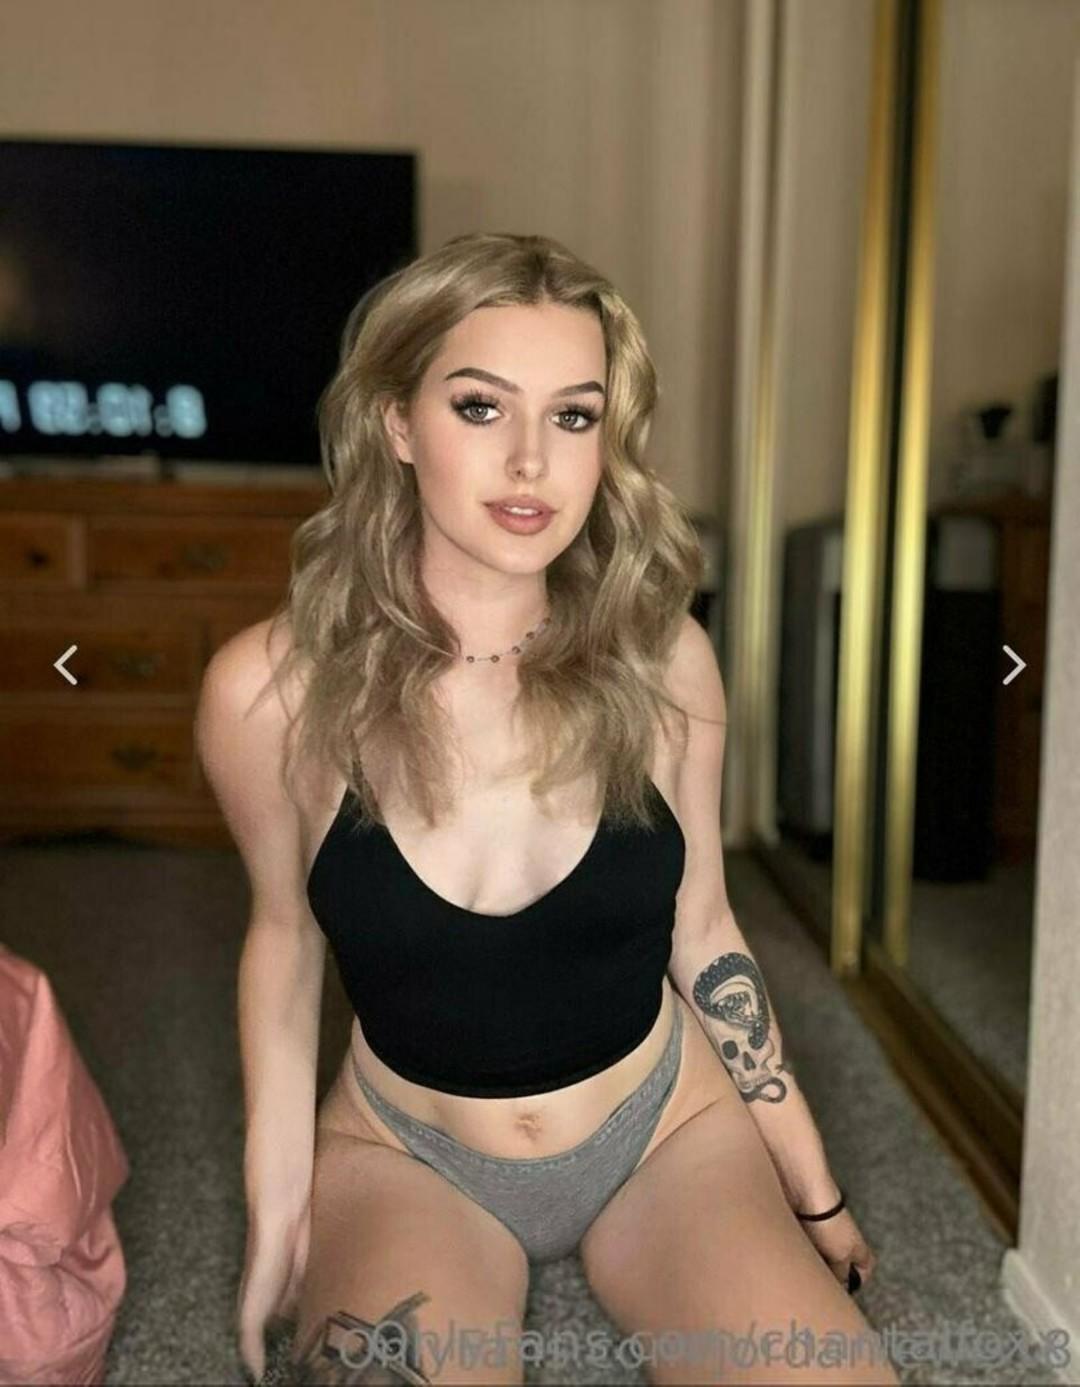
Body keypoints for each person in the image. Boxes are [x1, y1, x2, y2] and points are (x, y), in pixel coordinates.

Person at [195, 232, 899, 1386]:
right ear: (397, 422)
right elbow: (283, 942)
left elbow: (705, 928)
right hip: (408, 1152)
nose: (531, 460)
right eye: (480, 406)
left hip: (665, 1129)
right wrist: (276, 1212)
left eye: (574, 416)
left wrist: (811, 1187)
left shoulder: (667, 661)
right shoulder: (267, 694)